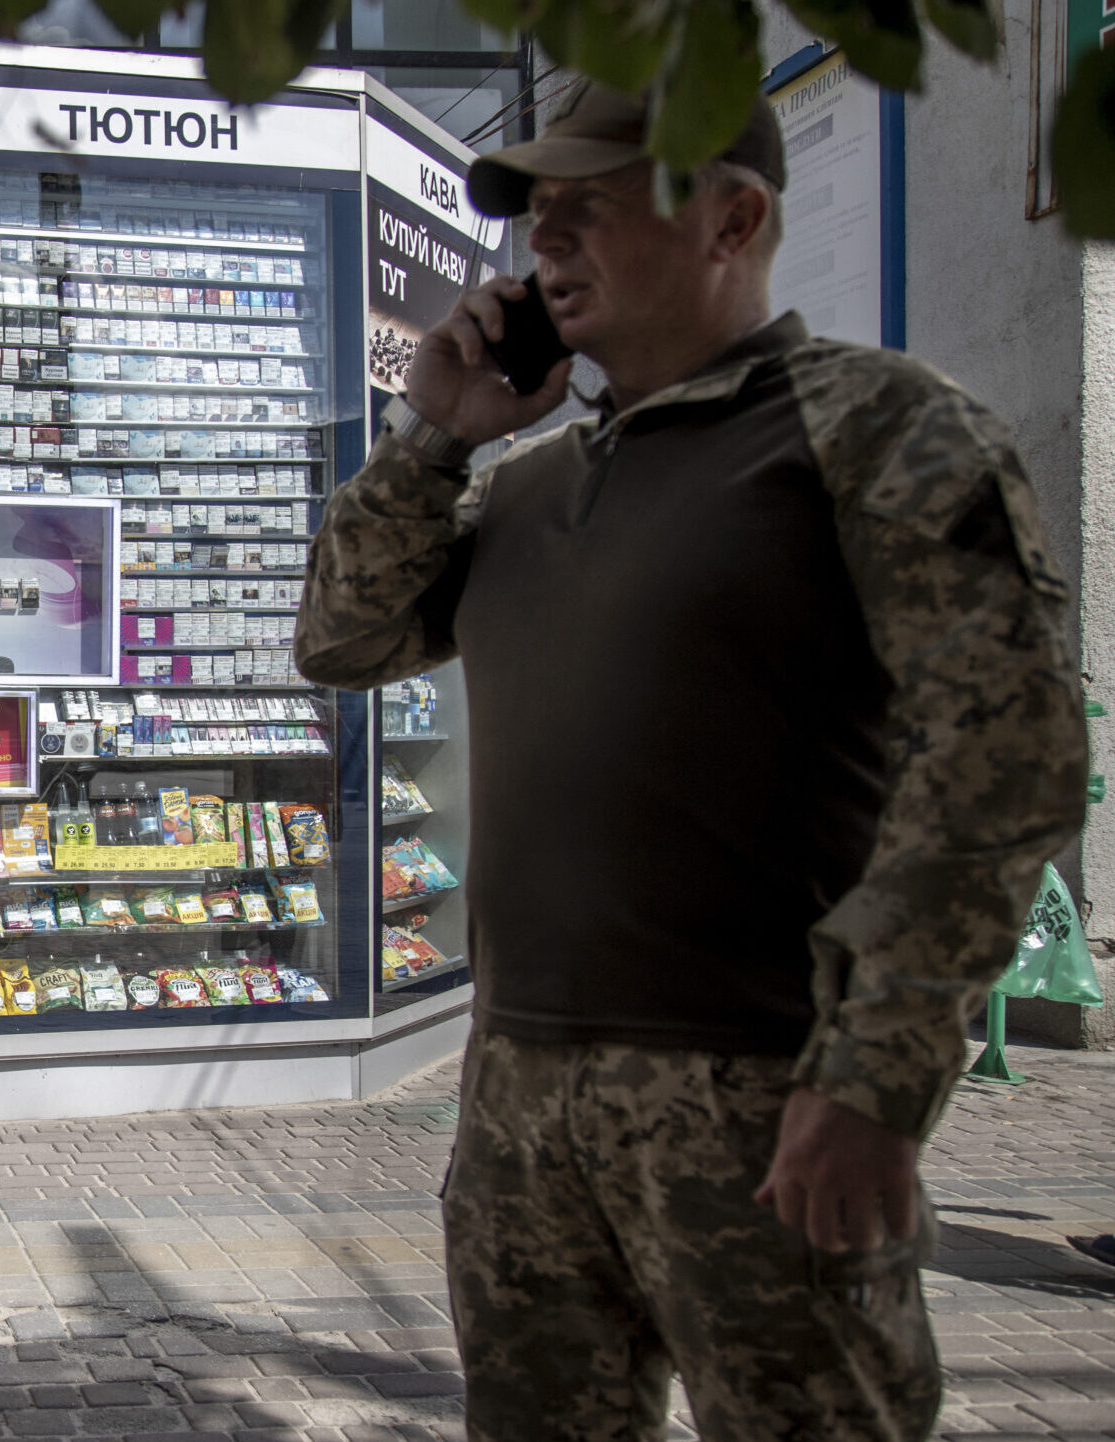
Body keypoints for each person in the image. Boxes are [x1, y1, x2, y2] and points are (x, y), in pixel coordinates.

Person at [297, 84, 1087, 1442]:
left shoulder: (877, 427)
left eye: (589, 209)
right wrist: (433, 434)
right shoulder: (524, 482)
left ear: (734, 217)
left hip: (766, 1098)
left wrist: (876, 1079)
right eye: (539, 220)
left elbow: (1006, 763)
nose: (547, 245)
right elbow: (342, 637)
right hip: (521, 1097)